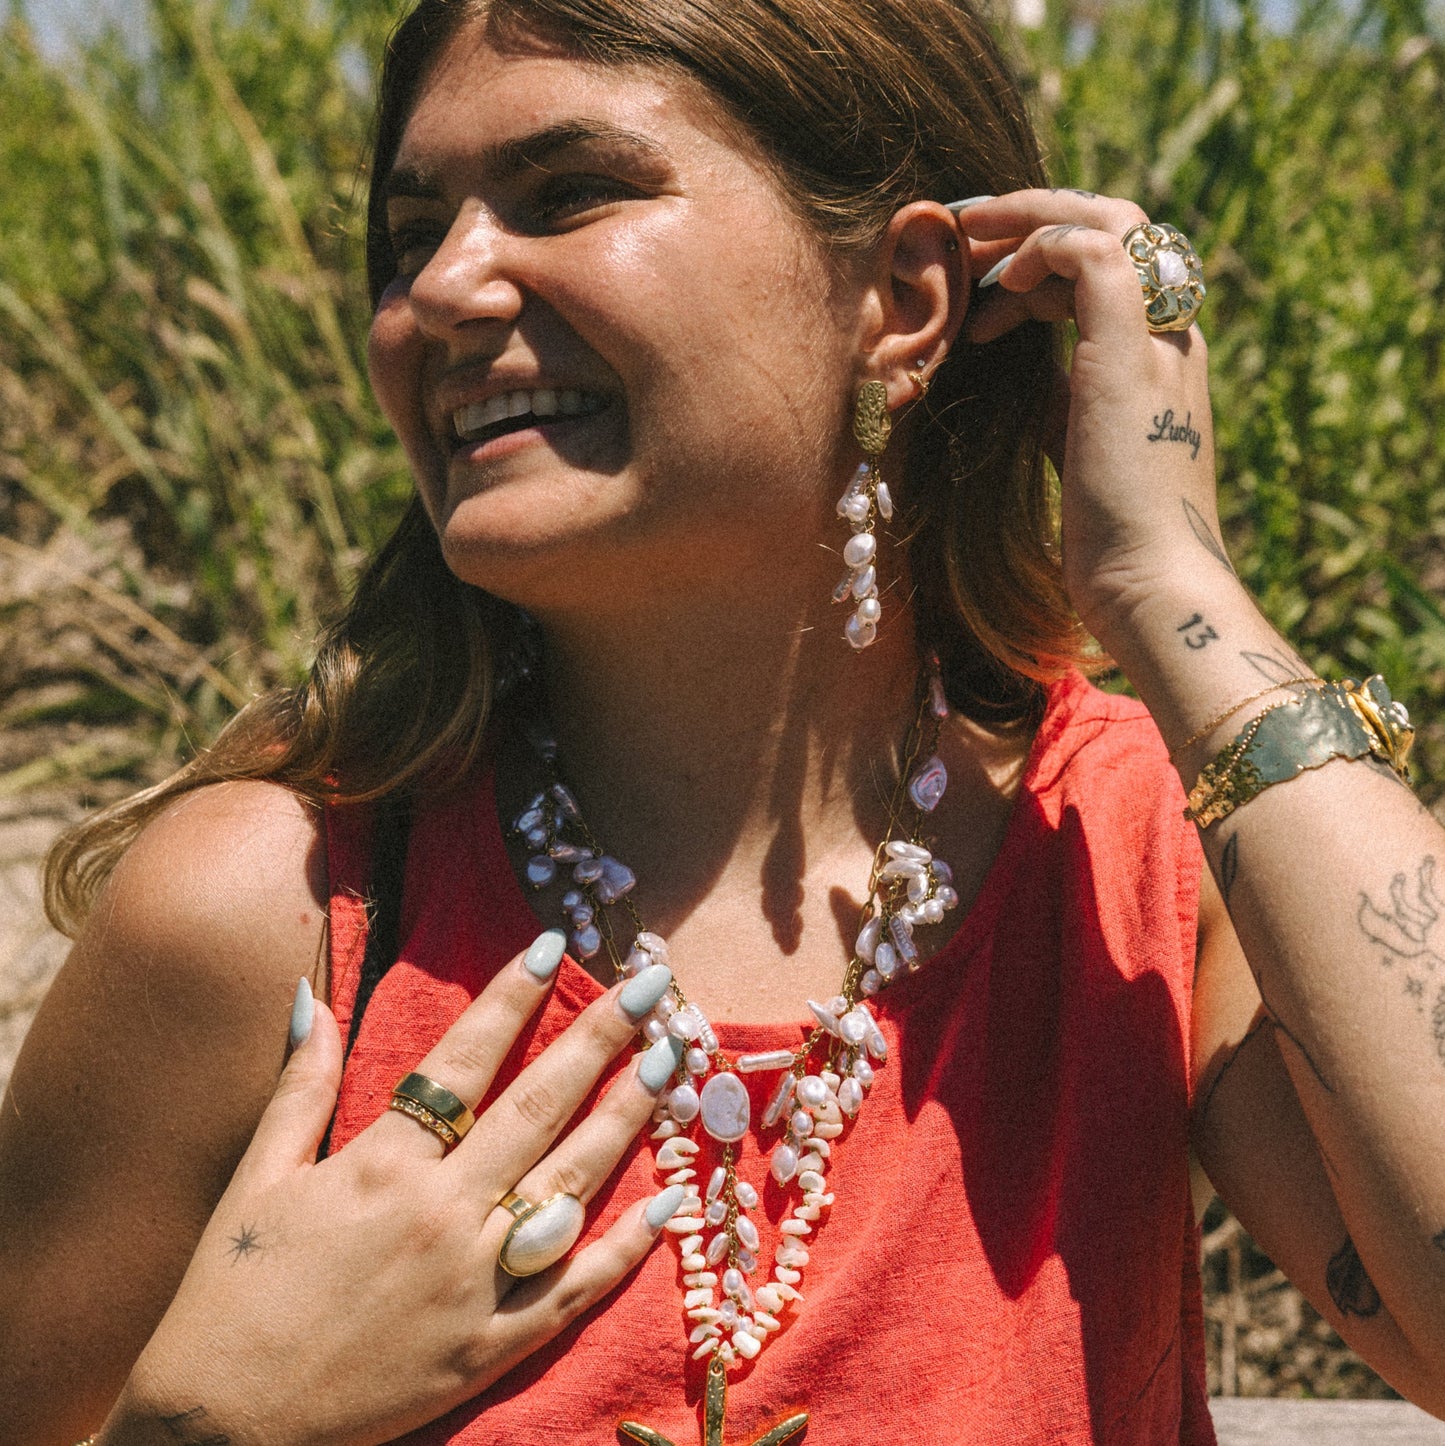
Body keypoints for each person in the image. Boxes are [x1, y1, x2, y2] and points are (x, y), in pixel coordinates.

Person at [2, 0, 1443, 1441]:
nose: (438, 290)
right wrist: (204, 1423)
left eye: (568, 193)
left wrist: (1168, 585)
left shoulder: (1130, 869)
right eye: (407, 233)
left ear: (904, 299)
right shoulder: (276, 918)